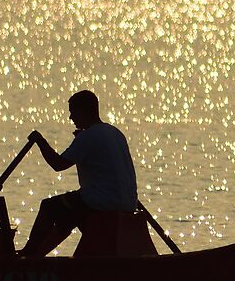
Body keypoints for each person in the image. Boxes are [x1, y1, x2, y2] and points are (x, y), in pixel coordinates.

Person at [21, 90, 147, 259]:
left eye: (73, 112)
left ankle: (28, 254)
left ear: (83, 111)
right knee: (68, 216)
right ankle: (37, 256)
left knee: (49, 206)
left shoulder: (88, 136)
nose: (70, 118)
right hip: (128, 202)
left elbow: (58, 164)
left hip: (103, 201)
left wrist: (40, 141)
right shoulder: (115, 132)